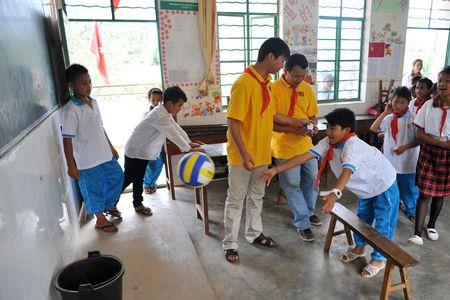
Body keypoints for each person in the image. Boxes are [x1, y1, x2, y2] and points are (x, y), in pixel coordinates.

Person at [260, 108, 400, 278]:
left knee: (383, 223)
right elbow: (304, 156)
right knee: (363, 219)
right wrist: (275, 170)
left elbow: (346, 172)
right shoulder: (329, 142)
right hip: (365, 188)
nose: (328, 132)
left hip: (383, 184)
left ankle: (379, 259)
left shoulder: (352, 146)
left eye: (333, 128)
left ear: (346, 130)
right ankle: (360, 248)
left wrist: (334, 195)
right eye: (327, 127)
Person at [223, 37, 308, 263]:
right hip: (242, 156)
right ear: (271, 56)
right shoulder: (244, 83)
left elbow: (271, 116)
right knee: (235, 199)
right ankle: (230, 243)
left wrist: (296, 123)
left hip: (261, 154)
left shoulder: (267, 84)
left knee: (257, 197)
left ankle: (253, 234)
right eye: (282, 60)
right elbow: (233, 122)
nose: (283, 65)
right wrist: (243, 153)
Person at [116, 86, 203, 216]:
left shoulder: (164, 113)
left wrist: (189, 143)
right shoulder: (159, 115)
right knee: (127, 179)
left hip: (142, 152)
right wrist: (188, 148)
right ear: (169, 103)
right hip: (136, 151)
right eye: (179, 105)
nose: (180, 109)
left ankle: (138, 204)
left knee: (139, 178)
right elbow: (172, 134)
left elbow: (176, 129)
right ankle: (109, 204)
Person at [62, 64, 124, 233]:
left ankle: (109, 205)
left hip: (104, 154)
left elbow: (101, 127)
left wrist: (111, 148)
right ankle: (100, 220)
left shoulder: (93, 102)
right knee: (92, 190)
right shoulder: (70, 110)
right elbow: (67, 140)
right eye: (83, 83)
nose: (88, 86)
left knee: (118, 176)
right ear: (72, 85)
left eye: (90, 82)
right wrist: (71, 165)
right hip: (87, 161)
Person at [271, 53, 320, 242]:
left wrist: (312, 127)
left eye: (303, 75)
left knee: (312, 180)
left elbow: (313, 116)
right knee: (292, 186)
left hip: (306, 146)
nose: (300, 80)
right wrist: (295, 127)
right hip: (284, 147)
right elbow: (272, 120)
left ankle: (308, 211)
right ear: (285, 71)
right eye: (297, 76)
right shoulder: (273, 89)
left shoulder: (306, 89)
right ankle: (302, 222)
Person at [407, 66, 450, 245]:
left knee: (440, 194)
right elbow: (420, 134)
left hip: (446, 157)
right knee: (424, 193)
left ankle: (431, 225)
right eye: (440, 81)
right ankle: (417, 233)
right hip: (429, 152)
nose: (443, 85)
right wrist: (441, 143)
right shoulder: (429, 105)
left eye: (448, 82)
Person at [370, 87, 420, 222]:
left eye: (402, 102)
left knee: (409, 189)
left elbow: (419, 139)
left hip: (408, 161)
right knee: (391, 187)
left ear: (408, 103)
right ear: (391, 101)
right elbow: (374, 129)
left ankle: (412, 210)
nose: (398, 105)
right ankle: (393, 207)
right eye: (395, 101)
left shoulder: (413, 118)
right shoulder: (389, 118)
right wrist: (385, 112)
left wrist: (404, 147)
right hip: (390, 161)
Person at [143, 88, 164, 194]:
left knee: (158, 165)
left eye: (159, 100)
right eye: (153, 100)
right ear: (149, 100)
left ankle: (150, 184)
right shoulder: (146, 114)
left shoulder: (163, 113)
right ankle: (148, 185)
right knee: (149, 167)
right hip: (147, 146)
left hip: (158, 147)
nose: (156, 103)